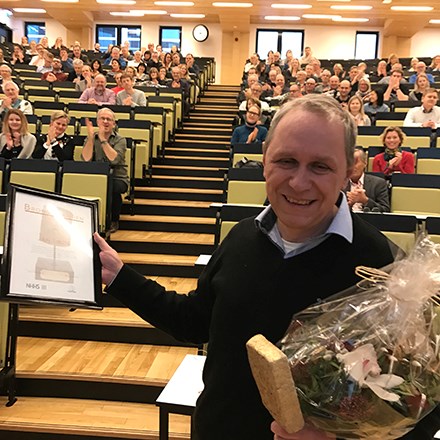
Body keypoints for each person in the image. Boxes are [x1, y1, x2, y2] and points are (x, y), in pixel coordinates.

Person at [93, 94, 421, 440]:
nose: (298, 182)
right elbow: (195, 322)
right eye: (286, 161)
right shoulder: (241, 238)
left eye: (320, 166)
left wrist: (336, 438)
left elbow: (419, 406)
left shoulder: (383, 265)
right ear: (264, 161)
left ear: (348, 172)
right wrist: (120, 277)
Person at [82, 108, 128, 233]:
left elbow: (114, 159)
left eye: (109, 119)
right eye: (103, 119)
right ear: (97, 122)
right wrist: (91, 138)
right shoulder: (91, 137)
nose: (106, 122)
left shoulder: (120, 140)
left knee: (112, 187)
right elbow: (86, 159)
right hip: (96, 176)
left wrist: (102, 140)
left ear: (114, 123)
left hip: (118, 177)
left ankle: (113, 220)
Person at [346, 147, 390, 213]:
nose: (352, 166)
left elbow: (385, 209)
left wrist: (365, 200)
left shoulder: (378, 183)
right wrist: (348, 205)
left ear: (365, 163)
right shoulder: (339, 184)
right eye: (349, 163)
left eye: (355, 163)